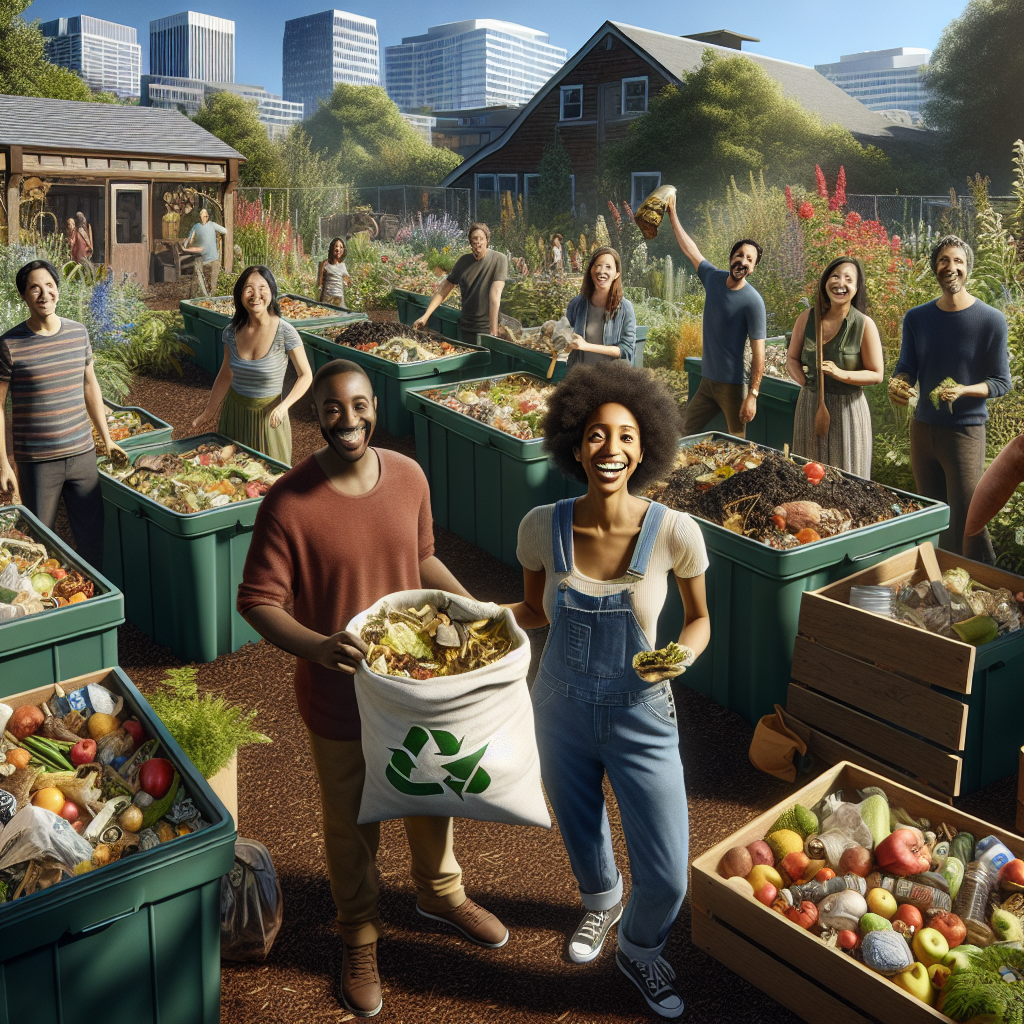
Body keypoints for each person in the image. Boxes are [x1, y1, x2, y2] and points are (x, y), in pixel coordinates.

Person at [238, 358, 509, 1018]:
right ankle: (358, 935)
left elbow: (420, 559)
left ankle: (439, 893)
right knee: (353, 821)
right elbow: (258, 600)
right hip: (340, 698)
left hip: (415, 686)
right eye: (332, 407)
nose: (348, 419)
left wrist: (478, 610)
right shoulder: (289, 500)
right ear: (316, 414)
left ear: (375, 407)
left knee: (431, 791)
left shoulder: (410, 477)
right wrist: (318, 647)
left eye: (359, 405)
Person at [507, 361, 710, 1020]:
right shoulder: (543, 526)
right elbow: (535, 612)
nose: (611, 449)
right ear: (574, 444)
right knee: (580, 829)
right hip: (558, 708)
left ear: (646, 446)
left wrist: (683, 654)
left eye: (625, 436)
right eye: (596, 435)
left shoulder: (675, 532)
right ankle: (601, 905)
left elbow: (701, 619)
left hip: (643, 715)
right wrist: (469, 619)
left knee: (672, 874)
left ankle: (639, 945)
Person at [890, 234, 1011, 560]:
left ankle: (987, 588)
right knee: (931, 515)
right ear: (935, 268)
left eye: (958, 261)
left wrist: (965, 390)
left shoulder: (991, 321)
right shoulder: (917, 318)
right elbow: (907, 367)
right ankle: (937, 588)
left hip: (965, 433)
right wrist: (898, 384)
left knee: (968, 520)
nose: (951, 267)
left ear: (968, 268)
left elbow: (1001, 382)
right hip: (923, 429)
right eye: (944, 261)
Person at [0, 260, 126, 569]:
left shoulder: (78, 333)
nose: (44, 294)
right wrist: (4, 464)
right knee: (42, 542)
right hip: (38, 462)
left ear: (58, 289)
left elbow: (90, 387)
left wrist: (106, 440)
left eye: (49, 285)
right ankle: (55, 609)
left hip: (82, 454)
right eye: (34, 288)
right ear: (24, 296)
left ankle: (95, 604)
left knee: (93, 537)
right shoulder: (9, 344)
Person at [665, 196, 767, 438]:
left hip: (732, 387)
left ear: (753, 269)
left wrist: (752, 396)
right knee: (683, 432)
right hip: (706, 382)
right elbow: (691, 249)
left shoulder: (753, 301)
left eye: (750, 260)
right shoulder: (712, 278)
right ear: (731, 257)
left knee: (737, 441)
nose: (743, 261)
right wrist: (672, 214)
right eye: (740, 255)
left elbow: (759, 355)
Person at [192, 265, 313, 466]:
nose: (255, 295)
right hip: (235, 414)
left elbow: (306, 375)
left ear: (272, 292)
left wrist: (284, 407)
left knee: (270, 479)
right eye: (248, 289)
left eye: (262, 288)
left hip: (269, 418)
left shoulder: (285, 332)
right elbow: (225, 375)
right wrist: (209, 412)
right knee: (229, 475)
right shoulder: (230, 332)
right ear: (240, 295)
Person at [786, 256, 884, 477]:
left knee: (846, 476)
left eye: (849, 279)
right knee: (808, 473)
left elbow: (877, 374)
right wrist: (804, 382)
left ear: (857, 288)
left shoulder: (863, 324)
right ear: (825, 282)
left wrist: (840, 374)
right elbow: (792, 358)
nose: (841, 284)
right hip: (810, 405)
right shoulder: (807, 318)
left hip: (848, 409)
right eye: (835, 276)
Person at [413, 222, 506, 345]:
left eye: (481, 239)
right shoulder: (463, 262)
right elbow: (443, 290)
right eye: (474, 239)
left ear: (487, 240)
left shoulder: (499, 259)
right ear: (470, 242)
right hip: (467, 327)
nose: (478, 242)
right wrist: (425, 316)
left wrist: (493, 331)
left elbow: (495, 294)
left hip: (488, 328)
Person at [564, 246, 636, 369]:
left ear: (616, 274)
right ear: (591, 270)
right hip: (579, 378)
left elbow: (626, 349)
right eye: (598, 265)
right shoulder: (576, 304)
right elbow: (565, 339)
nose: (602, 271)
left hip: (611, 380)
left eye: (608, 267)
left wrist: (586, 346)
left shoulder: (625, 308)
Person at [184, 207, 227, 294]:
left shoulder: (212, 225)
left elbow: (224, 230)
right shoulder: (196, 226)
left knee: (214, 283)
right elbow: (189, 239)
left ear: (207, 217)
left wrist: (217, 236)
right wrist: (186, 244)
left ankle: (213, 297)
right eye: (201, 216)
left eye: (204, 216)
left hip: (213, 258)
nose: (202, 218)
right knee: (201, 282)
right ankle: (204, 296)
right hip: (202, 258)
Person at [319, 236, 350, 307]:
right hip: (327, 300)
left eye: (341, 247)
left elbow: (348, 282)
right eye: (336, 246)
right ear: (332, 248)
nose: (338, 249)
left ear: (343, 251)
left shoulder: (342, 266)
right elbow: (320, 284)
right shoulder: (325, 264)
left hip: (339, 301)